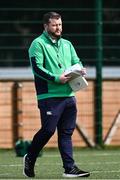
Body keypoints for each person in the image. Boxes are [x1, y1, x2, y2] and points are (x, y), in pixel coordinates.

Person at [23, 11, 90, 178]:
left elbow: (76, 61)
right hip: (49, 96)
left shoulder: (67, 44)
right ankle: (30, 157)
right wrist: (55, 78)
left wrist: (80, 69)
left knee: (66, 133)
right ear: (46, 26)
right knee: (48, 130)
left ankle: (69, 168)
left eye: (60, 24)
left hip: (69, 95)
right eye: (54, 25)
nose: (58, 27)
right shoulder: (37, 44)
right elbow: (37, 68)